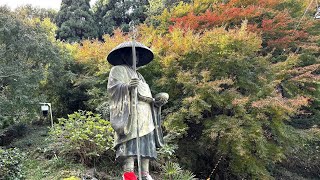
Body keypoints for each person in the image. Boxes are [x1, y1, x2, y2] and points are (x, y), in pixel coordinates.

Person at [107, 41, 168, 180]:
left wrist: (157, 102)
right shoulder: (118, 70)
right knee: (131, 142)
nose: (137, 58)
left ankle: (145, 174)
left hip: (146, 112)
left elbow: (147, 96)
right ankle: (129, 173)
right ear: (125, 55)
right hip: (131, 111)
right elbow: (113, 89)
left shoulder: (140, 76)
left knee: (146, 143)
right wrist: (126, 86)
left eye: (139, 56)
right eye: (135, 55)